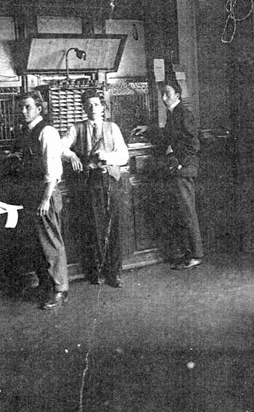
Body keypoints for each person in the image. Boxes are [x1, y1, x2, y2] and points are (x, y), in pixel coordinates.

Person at [131, 81, 203, 270]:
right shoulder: (175, 114)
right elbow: (171, 135)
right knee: (183, 211)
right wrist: (149, 129)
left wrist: (180, 164)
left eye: (167, 94)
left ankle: (196, 255)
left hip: (183, 169)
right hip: (180, 169)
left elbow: (194, 144)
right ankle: (189, 253)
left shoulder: (183, 113)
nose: (164, 98)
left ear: (178, 95)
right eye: (162, 94)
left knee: (187, 212)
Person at [61, 90, 129, 288]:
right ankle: (96, 271)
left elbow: (123, 155)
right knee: (94, 227)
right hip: (90, 182)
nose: (93, 109)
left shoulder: (112, 128)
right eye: (89, 105)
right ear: (84, 108)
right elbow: (60, 146)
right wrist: (71, 156)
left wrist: (107, 157)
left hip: (110, 179)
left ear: (103, 107)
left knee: (113, 226)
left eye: (97, 105)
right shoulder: (77, 128)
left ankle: (115, 273)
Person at [10, 91, 69, 310]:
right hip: (32, 195)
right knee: (37, 245)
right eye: (21, 107)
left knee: (51, 244)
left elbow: (52, 171)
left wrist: (45, 200)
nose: (23, 111)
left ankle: (59, 289)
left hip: (46, 195)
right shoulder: (28, 132)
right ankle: (45, 285)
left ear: (39, 109)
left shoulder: (47, 131)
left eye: (27, 107)